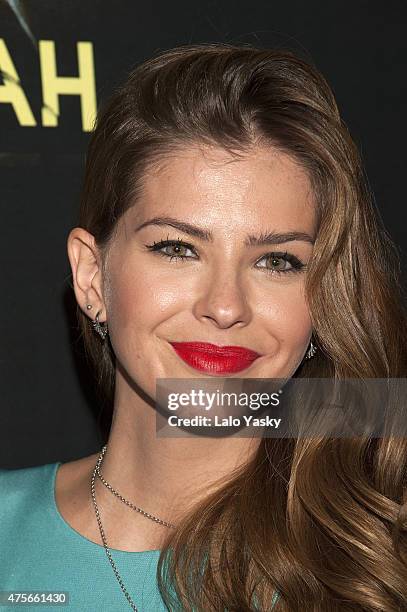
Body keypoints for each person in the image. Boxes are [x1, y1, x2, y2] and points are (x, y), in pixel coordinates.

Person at [1, 42, 407, 612]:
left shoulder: (380, 557)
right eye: (178, 248)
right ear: (92, 276)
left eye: (277, 261)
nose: (225, 306)